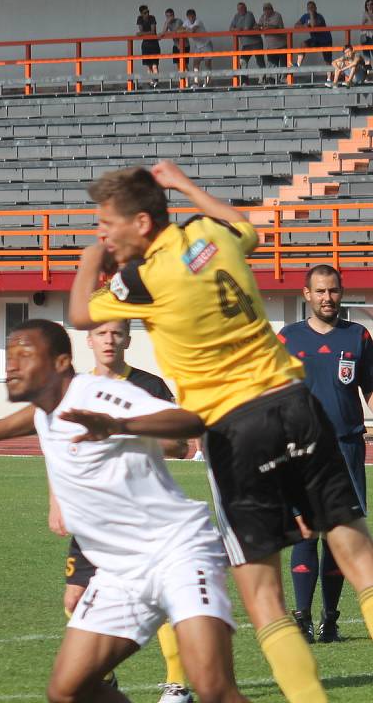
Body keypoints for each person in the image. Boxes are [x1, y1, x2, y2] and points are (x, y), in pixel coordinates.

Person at [68, 161, 373, 703]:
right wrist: (183, 184)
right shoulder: (209, 234)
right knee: (358, 555)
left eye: (107, 222)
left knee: (263, 596)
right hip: (296, 403)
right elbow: (243, 226)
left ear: (140, 223)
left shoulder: (139, 280)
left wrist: (93, 255)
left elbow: (78, 313)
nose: (103, 231)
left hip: (236, 430)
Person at [0, 319, 249, 703]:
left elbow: (190, 421)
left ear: (61, 363)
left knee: (214, 688)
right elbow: (35, 418)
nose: (11, 365)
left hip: (177, 551)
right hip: (118, 572)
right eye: (10, 356)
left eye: (25, 355)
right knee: (68, 691)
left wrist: (119, 425)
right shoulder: (50, 406)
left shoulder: (98, 394)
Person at [48, 320, 192, 703]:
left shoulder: (149, 387)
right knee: (75, 600)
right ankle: (105, 681)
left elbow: (182, 446)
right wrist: (56, 500)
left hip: (142, 516)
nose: (109, 340)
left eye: (117, 333)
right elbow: (60, 449)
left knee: (155, 598)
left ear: (128, 338)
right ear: (89, 340)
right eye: (101, 333)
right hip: (92, 515)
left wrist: (121, 431)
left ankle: (177, 684)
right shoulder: (74, 390)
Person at [279, 265, 373, 643]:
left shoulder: (359, 336)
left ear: (341, 292)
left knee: (341, 535)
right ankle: (300, 617)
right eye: (320, 291)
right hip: (301, 450)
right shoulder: (288, 338)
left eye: (333, 291)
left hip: (347, 447)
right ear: (306, 294)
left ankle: (329, 619)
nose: (327, 298)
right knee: (306, 531)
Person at [229, 2, 265, 84]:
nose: (240, 10)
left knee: (259, 61)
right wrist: (237, 29)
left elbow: (246, 28)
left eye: (242, 8)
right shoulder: (236, 16)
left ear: (245, 8)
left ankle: (262, 79)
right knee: (242, 61)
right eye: (239, 9)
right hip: (245, 44)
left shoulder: (249, 14)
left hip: (256, 42)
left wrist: (237, 29)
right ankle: (244, 81)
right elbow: (230, 28)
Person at [293, 1, 333, 72]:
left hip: (325, 40)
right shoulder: (305, 16)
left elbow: (313, 25)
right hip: (315, 40)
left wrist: (311, 14)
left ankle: (329, 78)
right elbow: (296, 26)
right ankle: (298, 64)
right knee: (303, 44)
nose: (310, 9)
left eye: (312, 7)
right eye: (308, 8)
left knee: (327, 60)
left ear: (315, 8)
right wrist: (303, 26)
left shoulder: (319, 16)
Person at [180, 9, 212, 88]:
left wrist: (185, 30)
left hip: (206, 44)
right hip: (197, 46)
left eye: (192, 17)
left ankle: (208, 82)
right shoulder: (186, 22)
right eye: (189, 17)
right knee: (195, 64)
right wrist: (185, 29)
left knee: (207, 64)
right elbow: (179, 30)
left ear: (195, 16)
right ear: (187, 17)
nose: (191, 18)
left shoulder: (198, 21)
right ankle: (196, 83)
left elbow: (192, 31)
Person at [257, 3, 286, 81]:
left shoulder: (277, 15)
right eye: (264, 9)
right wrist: (261, 27)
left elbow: (274, 27)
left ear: (271, 9)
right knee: (272, 65)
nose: (266, 11)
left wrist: (263, 27)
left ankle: (284, 81)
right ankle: (272, 82)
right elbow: (257, 26)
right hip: (270, 46)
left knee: (283, 65)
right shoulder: (263, 17)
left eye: (267, 9)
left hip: (281, 45)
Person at [136, 5, 160, 88]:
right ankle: (151, 81)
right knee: (148, 65)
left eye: (148, 12)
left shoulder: (152, 18)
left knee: (155, 65)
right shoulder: (139, 19)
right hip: (145, 44)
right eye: (145, 13)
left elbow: (152, 32)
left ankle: (156, 82)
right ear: (141, 13)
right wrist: (144, 33)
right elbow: (141, 31)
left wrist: (142, 33)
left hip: (154, 43)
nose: (147, 14)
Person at [360, 0, 373, 65]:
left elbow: (371, 24)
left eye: (371, 4)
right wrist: (367, 14)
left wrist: (368, 15)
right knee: (367, 57)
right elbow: (362, 27)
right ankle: (368, 72)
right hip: (365, 37)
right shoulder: (365, 14)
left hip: (372, 36)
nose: (369, 6)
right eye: (367, 4)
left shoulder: (366, 14)